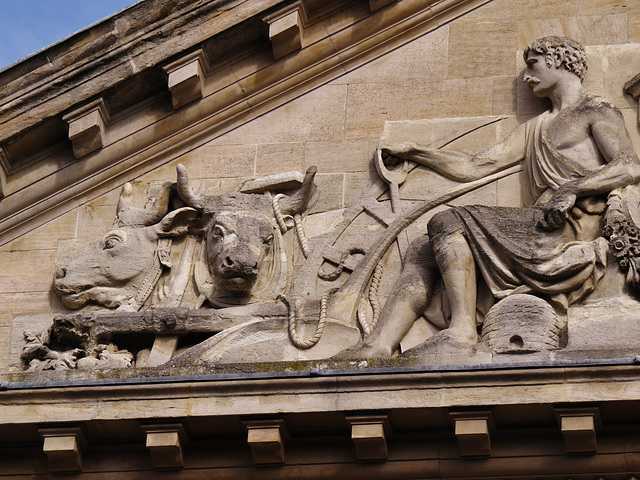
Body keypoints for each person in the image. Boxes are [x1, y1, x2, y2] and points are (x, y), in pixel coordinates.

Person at [337, 36, 640, 358]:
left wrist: (572, 188)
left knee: (448, 221)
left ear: (557, 60)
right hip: (541, 224)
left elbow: (629, 165)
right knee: (422, 248)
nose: (527, 77)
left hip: (570, 225)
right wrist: (418, 152)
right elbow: (474, 166)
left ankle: (463, 331)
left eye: (533, 65)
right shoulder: (536, 126)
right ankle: (378, 344)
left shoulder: (595, 110)